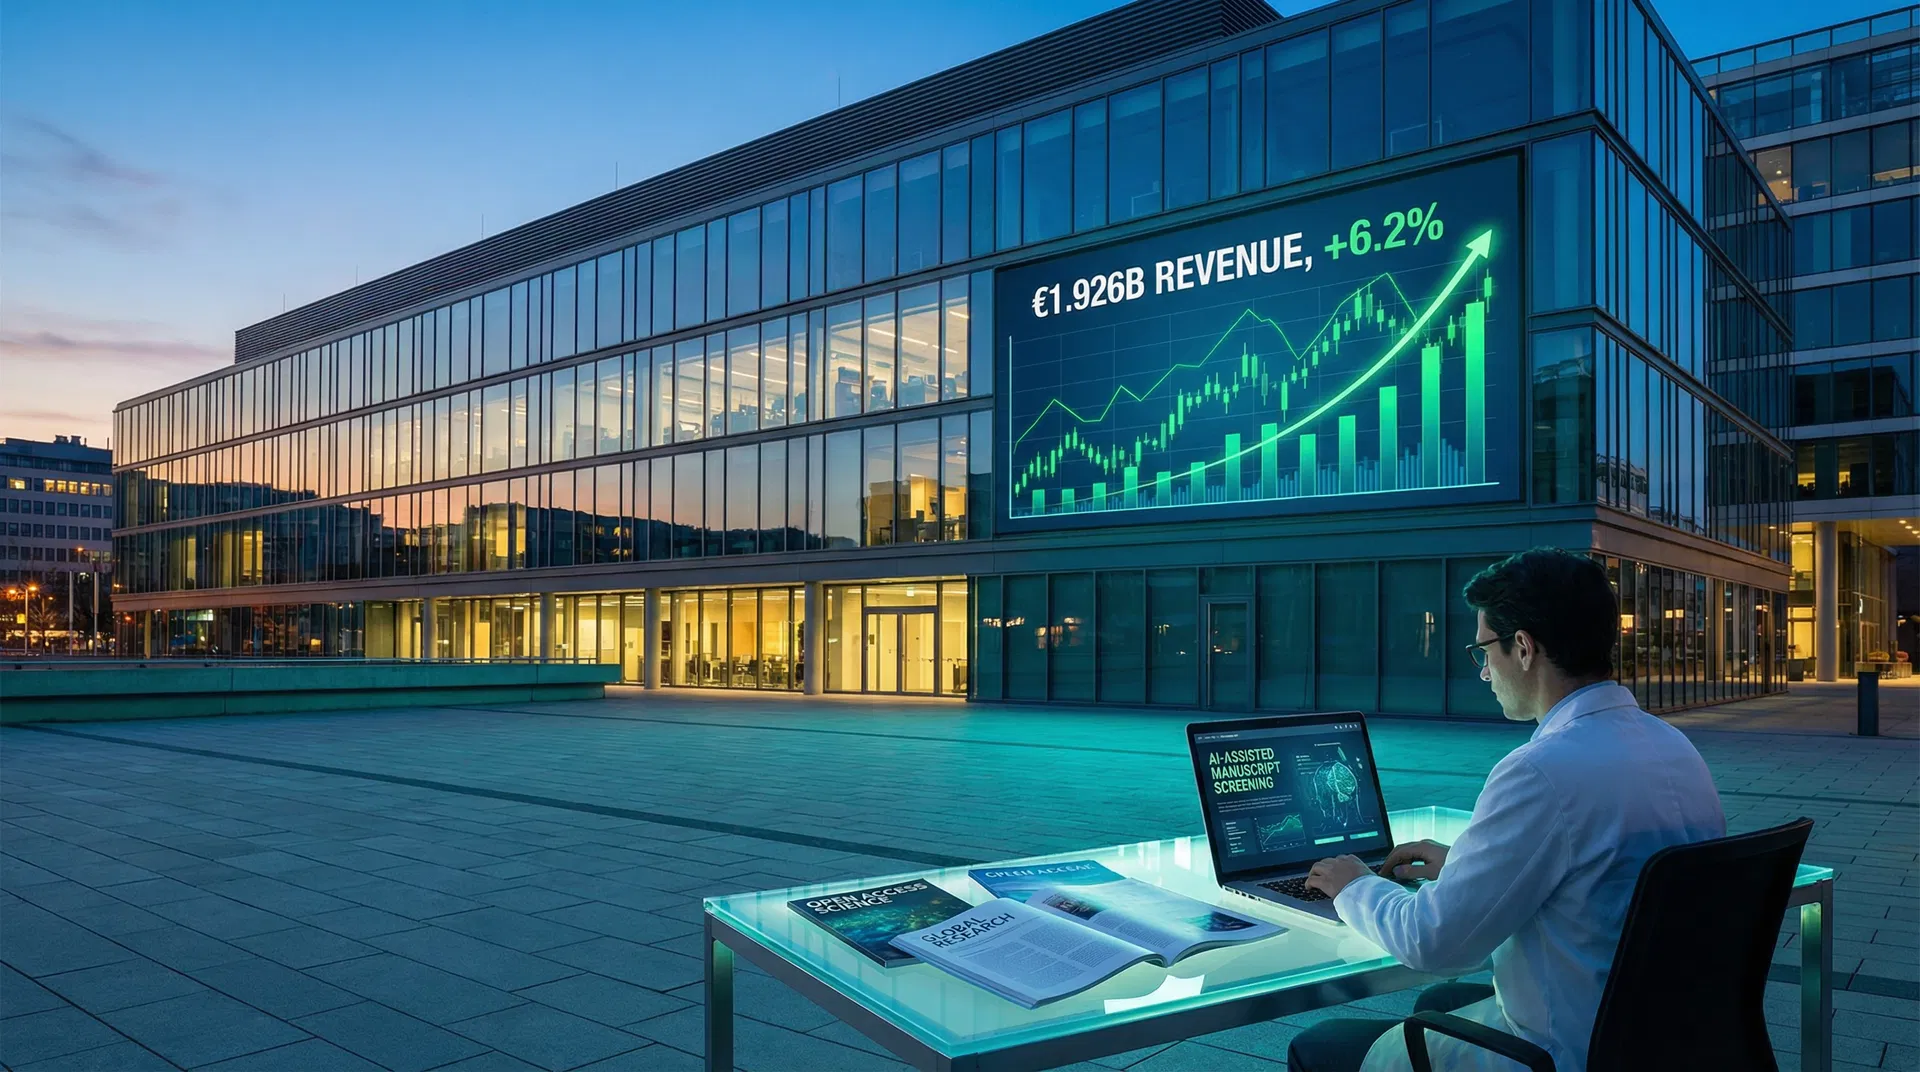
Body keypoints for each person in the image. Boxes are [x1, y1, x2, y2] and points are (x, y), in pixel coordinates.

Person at [1287, 548, 1726, 1072]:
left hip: (1565, 1049)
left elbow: (1435, 945)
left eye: (1484, 651)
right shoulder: (1674, 748)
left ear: (1522, 647)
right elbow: (1603, 876)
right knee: (1435, 1007)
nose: (1483, 672)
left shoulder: (1540, 770)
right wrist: (1468, 865)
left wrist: (1353, 883)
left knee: (1318, 1047)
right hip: (1659, 1038)